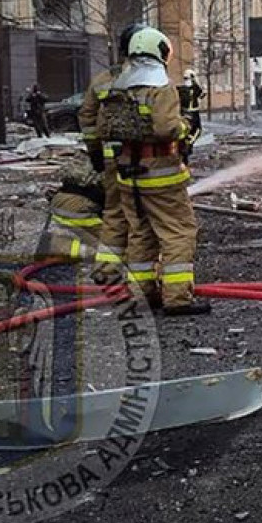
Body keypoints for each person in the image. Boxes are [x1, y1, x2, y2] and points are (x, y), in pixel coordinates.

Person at [100, 27, 208, 316]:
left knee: (141, 233)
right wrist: (186, 124)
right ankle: (177, 298)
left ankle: (142, 293)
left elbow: (104, 126)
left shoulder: (119, 87)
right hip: (161, 174)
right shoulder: (160, 87)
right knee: (178, 232)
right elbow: (166, 128)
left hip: (128, 175)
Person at [78, 23, 148, 285]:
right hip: (143, 159)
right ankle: (143, 277)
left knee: (114, 213)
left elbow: (87, 117)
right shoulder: (150, 79)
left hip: (110, 159)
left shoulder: (103, 80)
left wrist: (95, 152)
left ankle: (107, 269)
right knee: (142, 215)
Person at [35, 161, 104, 262]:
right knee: (112, 251)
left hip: (62, 200)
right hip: (79, 206)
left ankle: (58, 242)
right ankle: (56, 246)